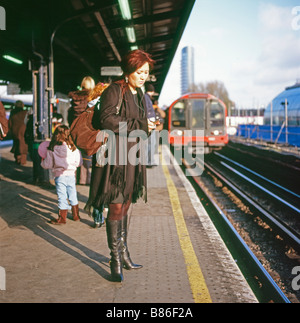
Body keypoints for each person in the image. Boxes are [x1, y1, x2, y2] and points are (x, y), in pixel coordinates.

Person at [86, 49, 155, 282]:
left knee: (126, 203)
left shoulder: (139, 93)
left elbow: (137, 124)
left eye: (146, 72)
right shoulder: (115, 90)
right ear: (128, 70)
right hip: (116, 158)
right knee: (116, 205)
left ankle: (124, 254)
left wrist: (146, 126)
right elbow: (106, 120)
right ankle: (114, 259)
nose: (143, 76)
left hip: (131, 157)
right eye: (139, 71)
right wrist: (141, 124)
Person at [41, 125, 83, 224]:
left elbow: (48, 164)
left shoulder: (52, 149)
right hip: (71, 175)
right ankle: (76, 215)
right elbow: (79, 163)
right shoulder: (73, 148)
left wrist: (42, 161)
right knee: (73, 194)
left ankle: (62, 218)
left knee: (62, 196)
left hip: (60, 176)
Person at [68, 76, 95, 185]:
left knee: (76, 155)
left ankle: (74, 178)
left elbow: (70, 115)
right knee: (87, 155)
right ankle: (84, 179)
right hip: (88, 130)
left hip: (75, 130)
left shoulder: (75, 99)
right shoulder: (92, 97)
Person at [8, 100, 28, 165]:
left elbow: (10, 122)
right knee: (23, 145)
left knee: (16, 144)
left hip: (15, 130)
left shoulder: (13, 112)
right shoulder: (25, 112)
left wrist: (10, 130)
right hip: (24, 130)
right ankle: (22, 160)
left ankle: (17, 159)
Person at [144, 83, 157, 167]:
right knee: (150, 143)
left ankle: (149, 161)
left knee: (149, 143)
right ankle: (149, 162)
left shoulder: (145, 97)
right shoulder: (146, 98)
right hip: (149, 123)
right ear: (152, 91)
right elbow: (146, 112)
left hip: (149, 123)